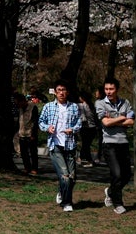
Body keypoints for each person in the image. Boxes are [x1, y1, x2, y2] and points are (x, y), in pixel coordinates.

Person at [39, 80, 81, 212]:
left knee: (72, 178)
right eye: (59, 90)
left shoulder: (74, 107)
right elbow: (41, 122)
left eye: (63, 90)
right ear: (55, 93)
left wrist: (72, 129)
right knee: (65, 176)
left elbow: (79, 123)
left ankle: (61, 192)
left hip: (70, 145)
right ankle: (66, 203)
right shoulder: (48, 107)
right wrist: (48, 128)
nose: (61, 93)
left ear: (67, 92)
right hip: (55, 145)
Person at [96, 77, 134, 215]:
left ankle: (110, 191)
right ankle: (118, 204)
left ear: (117, 89)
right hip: (109, 144)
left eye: (111, 89)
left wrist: (114, 120)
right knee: (116, 174)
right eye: (106, 89)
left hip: (123, 143)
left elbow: (131, 122)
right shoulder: (100, 103)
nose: (108, 92)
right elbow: (105, 123)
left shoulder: (126, 103)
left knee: (126, 174)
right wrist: (122, 117)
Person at [16, 92, 40, 174]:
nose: (18, 105)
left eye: (18, 103)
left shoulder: (33, 107)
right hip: (22, 133)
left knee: (33, 152)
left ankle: (35, 168)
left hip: (31, 133)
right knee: (24, 152)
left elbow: (36, 121)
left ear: (22, 101)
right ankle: (27, 168)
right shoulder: (20, 109)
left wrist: (33, 134)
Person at [77, 92, 98, 167]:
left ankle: (89, 160)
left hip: (85, 128)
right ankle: (81, 158)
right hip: (93, 128)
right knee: (86, 144)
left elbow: (83, 119)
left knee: (85, 145)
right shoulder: (91, 105)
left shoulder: (81, 106)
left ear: (82, 98)